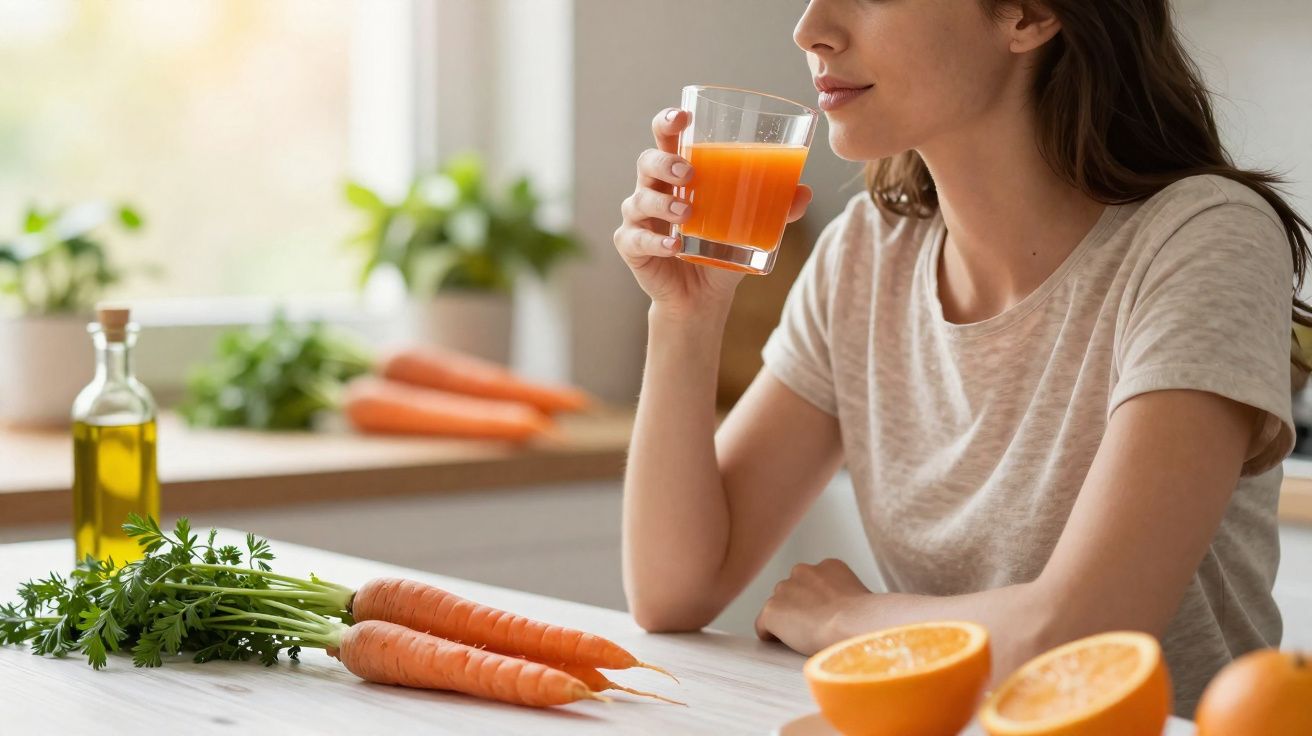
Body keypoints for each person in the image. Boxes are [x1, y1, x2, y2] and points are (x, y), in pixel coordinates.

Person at [613, 0, 1311, 717]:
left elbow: (1078, 637)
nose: (809, 28)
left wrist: (847, 620)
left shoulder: (1203, 241)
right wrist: (685, 316)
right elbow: (673, 590)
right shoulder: (868, 251)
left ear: (1028, 15)